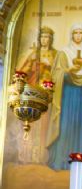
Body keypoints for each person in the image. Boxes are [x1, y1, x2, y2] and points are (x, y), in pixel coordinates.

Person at [48, 25, 82, 171]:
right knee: (66, 125)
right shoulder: (64, 52)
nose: (78, 36)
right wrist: (68, 72)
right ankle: (61, 161)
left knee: (80, 125)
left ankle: (80, 162)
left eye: (81, 33)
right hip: (67, 94)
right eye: (75, 33)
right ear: (71, 34)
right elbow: (56, 75)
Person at [14, 25, 62, 165]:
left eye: (47, 37)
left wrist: (48, 68)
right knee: (30, 125)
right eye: (42, 37)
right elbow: (23, 71)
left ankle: (40, 157)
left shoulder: (55, 54)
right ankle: (26, 157)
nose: (44, 40)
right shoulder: (33, 52)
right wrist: (34, 64)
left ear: (51, 39)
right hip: (32, 94)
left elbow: (58, 73)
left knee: (43, 127)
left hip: (46, 95)